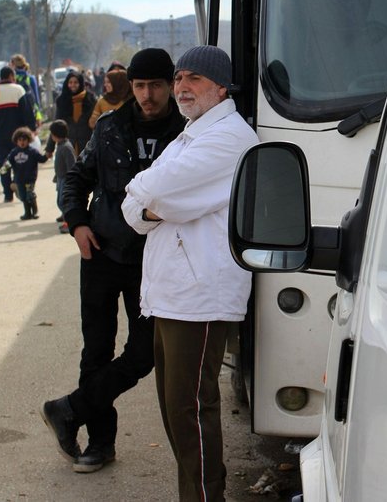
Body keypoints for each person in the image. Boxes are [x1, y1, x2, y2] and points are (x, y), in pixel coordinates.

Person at [40, 48, 186, 474]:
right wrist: (76, 222)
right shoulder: (108, 127)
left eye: (156, 85)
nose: (147, 95)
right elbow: (77, 178)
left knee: (145, 352)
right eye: (140, 86)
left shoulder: (188, 131)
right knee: (96, 351)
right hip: (102, 252)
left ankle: (68, 408)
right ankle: (99, 443)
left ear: (171, 84)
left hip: (155, 259)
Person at [122, 45, 258, 501]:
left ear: (221, 87)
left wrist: (150, 199)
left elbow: (150, 189)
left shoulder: (229, 138)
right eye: (179, 78)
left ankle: (204, 496)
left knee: (191, 409)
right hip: (172, 292)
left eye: (194, 79)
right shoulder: (191, 135)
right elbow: (135, 210)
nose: (181, 88)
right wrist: (154, 204)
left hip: (199, 294)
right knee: (175, 409)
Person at [0, 66, 37, 202]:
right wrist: (31, 129)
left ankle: (7, 194)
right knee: (20, 162)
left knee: (4, 164)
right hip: (18, 136)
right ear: (11, 76)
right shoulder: (18, 90)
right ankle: (18, 185)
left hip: (0, 135)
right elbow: (27, 112)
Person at [1, 126, 48, 220]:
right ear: (16, 141)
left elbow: (42, 159)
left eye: (24, 140)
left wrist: (47, 155)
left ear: (29, 140)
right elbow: (8, 162)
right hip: (19, 179)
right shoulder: (14, 152)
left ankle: (34, 211)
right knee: (22, 196)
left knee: (30, 195)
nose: (22, 142)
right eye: (20, 140)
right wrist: (3, 170)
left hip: (30, 179)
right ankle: (27, 213)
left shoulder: (33, 152)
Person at [53, 70, 97, 156]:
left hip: (88, 144)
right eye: (70, 82)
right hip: (68, 145)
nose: (73, 85)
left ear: (80, 83)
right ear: (67, 84)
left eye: (76, 82)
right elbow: (57, 125)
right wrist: (49, 148)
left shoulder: (90, 99)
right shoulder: (62, 100)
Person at [49, 119, 75, 234]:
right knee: (60, 201)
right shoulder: (60, 145)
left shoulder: (66, 147)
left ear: (54, 135)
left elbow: (71, 165)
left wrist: (70, 180)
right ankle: (66, 217)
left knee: (64, 201)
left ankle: (69, 222)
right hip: (60, 178)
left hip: (66, 179)